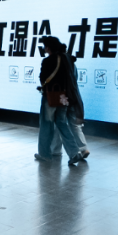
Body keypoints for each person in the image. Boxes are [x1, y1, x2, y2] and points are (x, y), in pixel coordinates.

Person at [36, 36, 86, 165]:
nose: (44, 49)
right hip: (65, 96)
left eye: (45, 47)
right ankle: (75, 152)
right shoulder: (68, 58)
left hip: (51, 97)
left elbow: (43, 78)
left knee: (46, 124)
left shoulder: (48, 61)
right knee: (62, 123)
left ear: (48, 48)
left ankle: (45, 154)